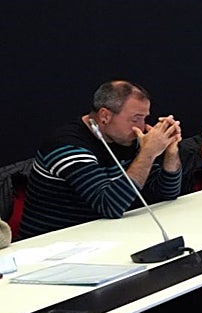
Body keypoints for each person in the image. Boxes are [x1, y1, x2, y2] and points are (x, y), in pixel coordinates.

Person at [19, 81, 183, 239]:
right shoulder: (67, 145)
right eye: (135, 119)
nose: (141, 126)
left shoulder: (127, 139)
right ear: (105, 116)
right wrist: (147, 153)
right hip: (52, 246)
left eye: (144, 118)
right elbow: (109, 205)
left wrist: (171, 151)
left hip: (105, 235)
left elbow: (166, 193)